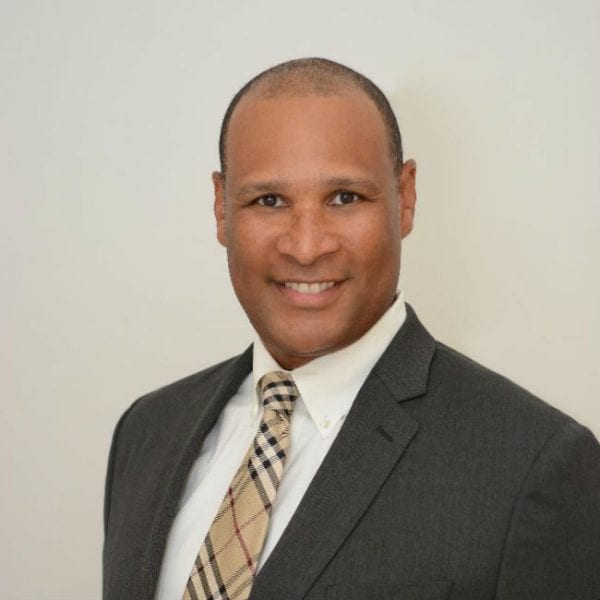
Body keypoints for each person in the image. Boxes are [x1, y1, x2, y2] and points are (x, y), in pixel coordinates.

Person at [103, 58, 600, 600]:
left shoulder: (531, 464)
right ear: (222, 208)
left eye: (345, 198)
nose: (306, 246)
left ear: (406, 197)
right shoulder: (147, 431)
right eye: (269, 201)